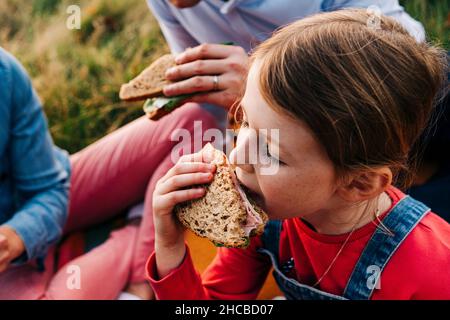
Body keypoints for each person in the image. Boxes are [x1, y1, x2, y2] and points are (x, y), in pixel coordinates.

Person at [147, 10, 450, 299]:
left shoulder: (433, 271)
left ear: (359, 184)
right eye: (245, 121)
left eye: (270, 151)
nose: (238, 155)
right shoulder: (257, 221)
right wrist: (170, 247)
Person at [0, 47, 216, 299]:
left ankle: (138, 273)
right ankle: (134, 235)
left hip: (51, 189)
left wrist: (16, 235)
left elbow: (48, 188)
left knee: (191, 124)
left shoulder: (4, 72)